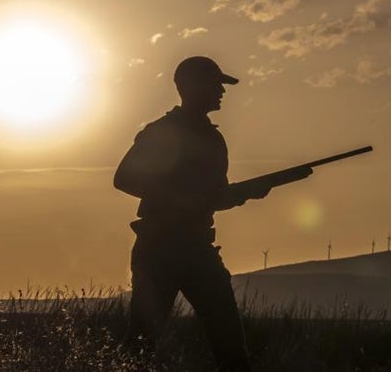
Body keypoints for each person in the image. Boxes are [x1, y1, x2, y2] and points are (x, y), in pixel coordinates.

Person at [114, 56, 310, 371]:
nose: (221, 91)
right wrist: (181, 199)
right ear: (190, 87)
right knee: (141, 345)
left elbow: (215, 198)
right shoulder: (162, 132)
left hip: (198, 248)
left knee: (230, 342)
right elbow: (123, 178)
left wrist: (248, 193)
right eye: (214, 84)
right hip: (159, 249)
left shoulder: (214, 139)